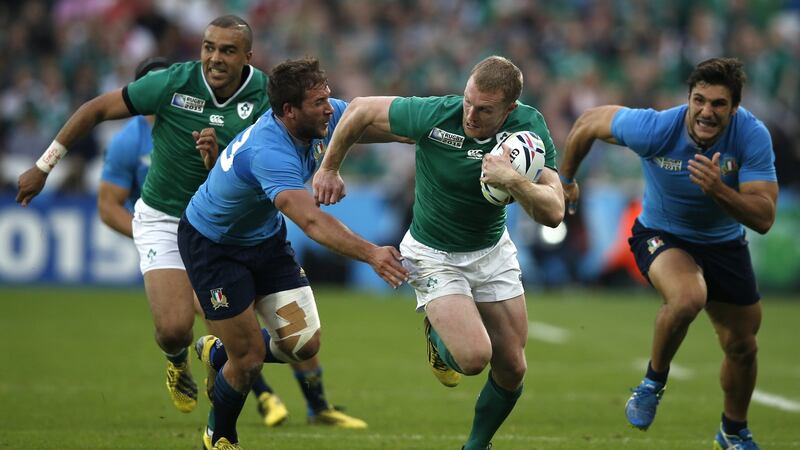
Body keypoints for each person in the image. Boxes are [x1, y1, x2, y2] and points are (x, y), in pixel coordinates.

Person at [17, 15, 271, 416]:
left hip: (222, 223)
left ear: (247, 57)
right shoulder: (171, 83)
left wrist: (219, 160)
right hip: (165, 217)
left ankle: (219, 391)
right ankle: (177, 361)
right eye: (208, 47)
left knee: (240, 337)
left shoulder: (264, 96)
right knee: (173, 330)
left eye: (226, 50)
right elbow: (95, 108)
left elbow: (267, 162)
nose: (215, 58)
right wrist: (44, 166)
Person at [97, 57, 368, 431]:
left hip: (255, 231)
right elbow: (107, 203)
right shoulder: (131, 140)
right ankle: (221, 423)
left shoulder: (221, 114)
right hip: (193, 235)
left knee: (301, 342)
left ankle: (239, 363)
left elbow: (229, 174)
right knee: (187, 332)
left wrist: (427, 128)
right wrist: (49, 162)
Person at [313, 55, 565, 450]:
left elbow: (554, 212)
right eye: (468, 101)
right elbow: (360, 109)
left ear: (509, 109)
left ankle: (476, 445)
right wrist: (329, 168)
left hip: (491, 250)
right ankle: (437, 332)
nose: (470, 115)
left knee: (513, 367)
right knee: (473, 358)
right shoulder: (437, 115)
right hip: (433, 253)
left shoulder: (528, 127)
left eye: (484, 110)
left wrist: (512, 180)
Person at [178, 57, 409, 450]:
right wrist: (372, 254)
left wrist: (430, 129)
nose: (328, 107)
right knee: (249, 358)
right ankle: (219, 435)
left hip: (264, 240)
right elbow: (313, 223)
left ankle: (220, 355)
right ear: (288, 111)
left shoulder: (318, 118)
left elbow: (371, 120)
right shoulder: (270, 151)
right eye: (319, 101)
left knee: (304, 345)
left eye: (328, 97)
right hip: (214, 248)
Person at [558, 57, 778, 450]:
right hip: (661, 234)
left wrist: (719, 191)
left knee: (743, 346)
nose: (706, 111)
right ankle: (652, 382)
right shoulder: (656, 127)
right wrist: (566, 180)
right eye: (700, 100)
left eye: (718, 104)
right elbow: (587, 122)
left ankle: (732, 431)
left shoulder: (752, 136)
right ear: (689, 99)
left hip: (725, 243)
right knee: (688, 297)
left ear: (735, 108)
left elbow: (764, 217)